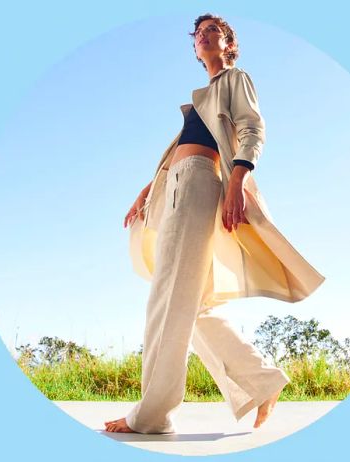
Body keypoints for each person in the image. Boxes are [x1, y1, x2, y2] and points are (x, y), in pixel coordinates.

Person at [105, 13, 325, 434]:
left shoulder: (235, 79)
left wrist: (237, 179)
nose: (204, 36)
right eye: (199, 33)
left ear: (228, 44)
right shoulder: (205, 95)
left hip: (199, 187)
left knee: (166, 298)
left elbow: (252, 128)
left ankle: (152, 415)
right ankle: (262, 380)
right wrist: (147, 190)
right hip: (175, 189)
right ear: (194, 48)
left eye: (214, 31)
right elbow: (181, 150)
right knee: (191, 304)